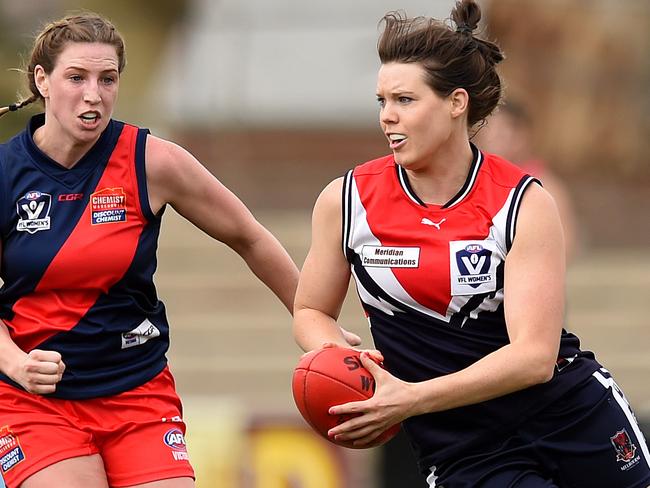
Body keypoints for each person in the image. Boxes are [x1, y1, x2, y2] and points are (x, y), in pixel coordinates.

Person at [293, 1, 650, 487]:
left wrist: (411, 397)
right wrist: (347, 364)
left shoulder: (522, 201)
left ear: (456, 102)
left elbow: (534, 357)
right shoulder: (347, 202)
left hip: (570, 419)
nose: (387, 118)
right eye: (382, 101)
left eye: (405, 100)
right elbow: (311, 310)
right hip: (464, 448)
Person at [0, 12, 360, 488]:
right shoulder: (6, 173)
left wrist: (314, 324)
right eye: (76, 77)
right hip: (34, 399)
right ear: (42, 81)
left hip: (137, 390)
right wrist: (16, 363)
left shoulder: (153, 161)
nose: (94, 95)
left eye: (108, 79)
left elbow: (248, 236)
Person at [474, 100, 580, 262]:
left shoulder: (543, 186)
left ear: (521, 136)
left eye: (501, 133)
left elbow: (565, 247)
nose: (492, 140)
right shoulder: (475, 180)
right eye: (487, 132)